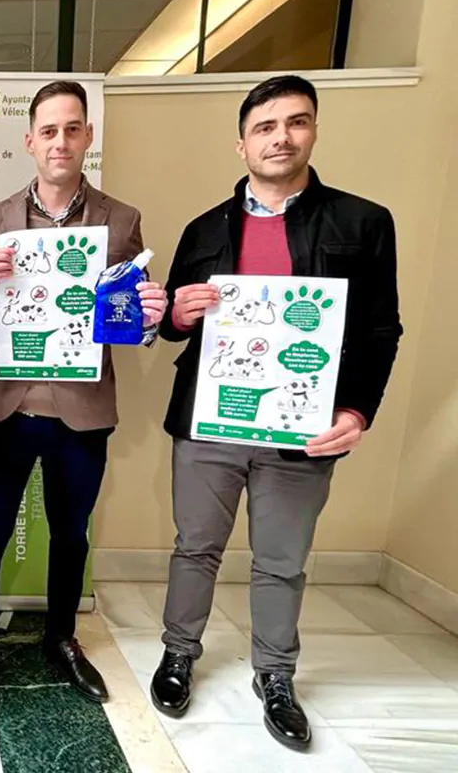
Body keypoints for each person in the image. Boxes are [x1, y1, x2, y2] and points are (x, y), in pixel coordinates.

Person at [150, 75, 402, 751]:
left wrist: (358, 410)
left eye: (295, 122)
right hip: (210, 422)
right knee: (194, 547)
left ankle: (276, 675)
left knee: (282, 559)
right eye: (265, 127)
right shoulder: (204, 228)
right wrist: (176, 312)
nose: (281, 136)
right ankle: (179, 654)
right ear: (242, 144)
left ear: (313, 130)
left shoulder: (362, 222)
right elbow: (174, 324)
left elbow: (381, 329)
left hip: (303, 424)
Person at [0, 81, 168, 705]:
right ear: (29, 141)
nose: (61, 141)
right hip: (7, 407)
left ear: (88, 136)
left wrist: (143, 310)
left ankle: (63, 638)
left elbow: (131, 323)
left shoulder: (120, 220)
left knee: (71, 532)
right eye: (49, 130)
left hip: (82, 411)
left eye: (73, 128)